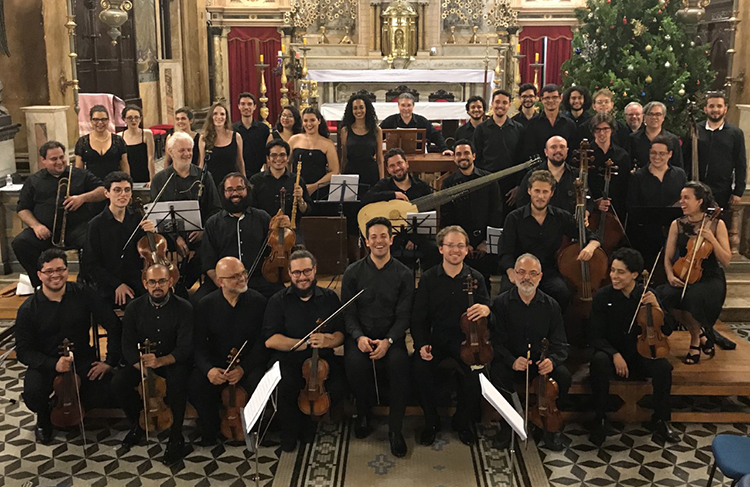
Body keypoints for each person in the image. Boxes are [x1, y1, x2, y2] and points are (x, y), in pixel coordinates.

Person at [15, 248, 121, 444]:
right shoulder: (28, 309)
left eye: (60, 269)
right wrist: (52, 364)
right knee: (33, 393)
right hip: (46, 364)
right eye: (49, 271)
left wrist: (109, 361)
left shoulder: (83, 293)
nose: (55, 275)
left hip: (81, 360)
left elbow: (113, 324)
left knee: (108, 387)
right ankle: (45, 418)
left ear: (67, 270)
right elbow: (23, 351)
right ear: (39, 275)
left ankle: (78, 409)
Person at [589, 248, 679, 446]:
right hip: (611, 352)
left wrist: (657, 306)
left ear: (635, 275)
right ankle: (600, 419)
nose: (614, 276)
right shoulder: (603, 296)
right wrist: (614, 354)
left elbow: (669, 328)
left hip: (640, 352)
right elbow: (595, 335)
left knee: (663, 367)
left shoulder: (647, 295)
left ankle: (662, 419)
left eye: (620, 272)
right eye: (612, 270)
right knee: (598, 362)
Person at [412, 226, 491, 447]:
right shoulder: (428, 279)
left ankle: (462, 422)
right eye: (450, 245)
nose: (455, 250)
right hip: (437, 339)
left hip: (467, 340)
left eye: (460, 246)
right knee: (418, 368)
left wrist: (486, 309)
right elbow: (418, 318)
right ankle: (431, 421)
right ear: (440, 249)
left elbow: (487, 306)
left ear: (467, 250)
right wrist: (422, 344)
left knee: (477, 371)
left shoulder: (476, 278)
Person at [263, 249, 347, 451]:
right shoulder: (278, 300)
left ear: (315, 270)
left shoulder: (329, 298)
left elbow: (340, 334)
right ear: (289, 274)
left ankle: (310, 423)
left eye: (307, 271)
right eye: (297, 273)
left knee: (339, 386)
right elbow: (270, 340)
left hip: (322, 361)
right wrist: (303, 343)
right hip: (289, 358)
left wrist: (328, 341)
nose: (302, 277)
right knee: (286, 384)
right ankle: (289, 431)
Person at [342, 217, 413, 457]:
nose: (379, 241)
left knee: (399, 364)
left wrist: (389, 340)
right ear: (366, 241)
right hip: (361, 337)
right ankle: (363, 414)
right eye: (374, 237)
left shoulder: (404, 274)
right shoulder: (352, 272)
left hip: (391, 338)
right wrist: (358, 337)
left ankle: (395, 429)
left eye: (384, 236)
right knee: (354, 363)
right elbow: (348, 313)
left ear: (391, 240)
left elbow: (405, 315)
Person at [111, 264, 193, 465]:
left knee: (177, 382)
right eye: (153, 282)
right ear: (145, 284)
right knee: (118, 383)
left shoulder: (184, 308)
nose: (157, 286)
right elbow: (127, 346)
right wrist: (142, 367)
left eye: (162, 281)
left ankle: (176, 437)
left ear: (170, 282)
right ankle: (138, 424)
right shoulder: (134, 308)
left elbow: (184, 348)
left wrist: (160, 362)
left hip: (172, 360)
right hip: (144, 363)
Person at [491, 253, 570, 451]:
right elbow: (495, 341)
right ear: (515, 275)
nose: (527, 278)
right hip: (514, 361)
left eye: (532, 273)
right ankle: (507, 426)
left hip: (540, 365)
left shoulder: (551, 306)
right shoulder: (501, 303)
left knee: (563, 376)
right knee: (498, 373)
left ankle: (549, 427)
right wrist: (511, 360)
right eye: (522, 272)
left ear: (540, 277)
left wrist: (552, 361)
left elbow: (561, 344)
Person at [188, 257, 268, 445]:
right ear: (220, 282)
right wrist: (209, 369)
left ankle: (251, 427)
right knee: (195, 383)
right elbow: (197, 345)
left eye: (243, 273)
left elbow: (262, 342)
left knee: (258, 381)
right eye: (234, 276)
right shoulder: (205, 305)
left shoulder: (258, 302)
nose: (242, 279)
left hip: (249, 364)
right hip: (218, 365)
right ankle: (211, 427)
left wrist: (243, 369)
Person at [500, 170, 601, 311]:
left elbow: (591, 237)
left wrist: (590, 247)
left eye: (545, 192)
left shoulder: (560, 217)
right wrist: (512, 273)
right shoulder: (514, 218)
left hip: (547, 271)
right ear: (529, 191)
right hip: (520, 271)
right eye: (537, 191)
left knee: (563, 292)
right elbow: (505, 252)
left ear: (551, 193)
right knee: (505, 294)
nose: (540, 196)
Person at [14, 141, 106, 287]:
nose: (59, 162)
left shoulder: (80, 174)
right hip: (46, 231)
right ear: (43, 160)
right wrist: (36, 226)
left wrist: (82, 198)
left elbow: (103, 190)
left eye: (62, 157)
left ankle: (86, 282)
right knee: (20, 243)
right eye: (54, 159)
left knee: (93, 240)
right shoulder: (34, 180)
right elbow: (23, 209)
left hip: (76, 229)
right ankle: (41, 283)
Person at [657, 182, 730, 364]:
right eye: (681, 197)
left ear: (699, 201)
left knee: (692, 299)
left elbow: (726, 260)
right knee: (665, 296)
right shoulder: (677, 224)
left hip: (710, 278)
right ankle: (702, 333)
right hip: (682, 274)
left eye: (686, 198)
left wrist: (711, 238)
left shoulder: (716, 224)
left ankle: (695, 341)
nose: (681, 202)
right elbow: (667, 258)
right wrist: (670, 276)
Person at [150, 132, 222, 292]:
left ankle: (182, 284)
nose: (187, 154)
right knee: (155, 245)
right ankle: (164, 282)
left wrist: (203, 230)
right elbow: (157, 214)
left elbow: (216, 209)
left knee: (209, 247)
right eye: (182, 150)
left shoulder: (204, 176)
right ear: (170, 151)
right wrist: (176, 239)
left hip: (199, 233)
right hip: (169, 235)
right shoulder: (160, 179)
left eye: (189, 150)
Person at [200, 172, 281, 301]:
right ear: (223, 193)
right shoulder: (212, 223)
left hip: (257, 279)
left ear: (247, 190)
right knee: (198, 301)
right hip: (223, 281)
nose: (235, 193)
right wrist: (222, 285)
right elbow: (208, 262)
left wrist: (283, 230)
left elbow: (278, 249)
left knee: (280, 297)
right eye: (230, 190)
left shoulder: (263, 217)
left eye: (239, 189)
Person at [83, 171, 157, 308]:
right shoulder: (96, 225)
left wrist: (153, 232)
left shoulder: (137, 218)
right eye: (117, 190)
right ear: (107, 193)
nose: (123, 194)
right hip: (108, 283)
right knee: (135, 308)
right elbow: (91, 265)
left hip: (136, 279)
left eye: (127, 190)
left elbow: (155, 250)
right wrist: (116, 285)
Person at [361, 148, 440, 271]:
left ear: (406, 163)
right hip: (394, 237)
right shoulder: (384, 185)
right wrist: (393, 194)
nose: (397, 168)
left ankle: (427, 285)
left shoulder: (421, 187)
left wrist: (413, 239)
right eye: (392, 166)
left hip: (418, 236)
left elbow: (429, 215)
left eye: (399, 163)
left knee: (434, 250)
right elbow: (366, 198)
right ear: (388, 170)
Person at [440, 139, 503, 285]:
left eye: (466, 153)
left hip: (484, 243)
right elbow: (447, 215)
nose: (463, 157)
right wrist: (462, 243)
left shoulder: (489, 179)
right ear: (455, 158)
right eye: (459, 154)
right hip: (460, 244)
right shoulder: (448, 183)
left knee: (484, 281)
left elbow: (496, 211)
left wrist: (485, 242)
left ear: (474, 156)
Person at [684, 91, 746, 229]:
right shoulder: (695, 130)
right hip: (697, 187)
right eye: (712, 106)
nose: (715, 110)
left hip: (722, 190)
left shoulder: (735, 133)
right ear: (706, 109)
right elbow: (685, 159)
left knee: (717, 228)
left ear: (725, 108)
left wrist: (738, 191)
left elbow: (741, 163)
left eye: (719, 106)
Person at [626, 136, 688, 269]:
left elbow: (685, 203)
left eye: (662, 153)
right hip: (645, 236)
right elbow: (633, 207)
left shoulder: (679, 175)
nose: (657, 157)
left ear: (670, 154)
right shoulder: (638, 177)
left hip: (674, 234)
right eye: (653, 153)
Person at [473, 89, 525, 212]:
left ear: (509, 105)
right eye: (497, 102)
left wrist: (518, 186)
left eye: (504, 102)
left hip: (510, 185)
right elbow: (477, 158)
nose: (500, 106)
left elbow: (522, 158)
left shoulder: (518, 129)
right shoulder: (481, 129)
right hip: (487, 182)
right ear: (492, 104)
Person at [249, 139, 312, 236]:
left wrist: (300, 200)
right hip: (264, 231)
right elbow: (251, 210)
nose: (278, 159)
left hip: (290, 232)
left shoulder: (297, 180)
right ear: (268, 159)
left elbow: (307, 210)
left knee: (300, 250)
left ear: (287, 158)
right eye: (274, 155)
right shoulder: (256, 180)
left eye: (282, 155)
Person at [516, 136, 578, 214]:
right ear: (546, 152)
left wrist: (586, 212)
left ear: (567, 151)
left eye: (562, 147)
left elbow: (588, 201)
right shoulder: (532, 175)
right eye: (553, 147)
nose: (558, 150)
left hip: (568, 224)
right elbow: (521, 203)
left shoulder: (576, 174)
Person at [289, 108, 340, 200]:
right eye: (305, 120)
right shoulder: (294, 140)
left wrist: (314, 186)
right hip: (297, 189)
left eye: (312, 120)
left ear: (319, 121)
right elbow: (286, 162)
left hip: (320, 190)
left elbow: (334, 171)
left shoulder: (328, 143)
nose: (309, 124)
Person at [339, 94, 384, 198]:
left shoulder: (376, 130)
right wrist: (341, 176)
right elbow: (344, 157)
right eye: (355, 108)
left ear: (366, 108)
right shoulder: (345, 130)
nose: (358, 111)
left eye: (361, 107)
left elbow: (380, 159)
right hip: (351, 173)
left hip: (370, 173)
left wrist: (382, 181)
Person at [589, 112, 631, 219]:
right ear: (593, 131)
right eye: (597, 129)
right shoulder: (586, 154)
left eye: (605, 129)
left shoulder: (622, 155)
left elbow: (625, 185)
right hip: (591, 210)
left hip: (616, 208)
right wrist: (594, 202)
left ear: (611, 130)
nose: (601, 133)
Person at [381, 92, 452, 155]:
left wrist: (444, 149)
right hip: (395, 157)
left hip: (419, 156)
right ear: (398, 106)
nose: (406, 109)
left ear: (413, 106)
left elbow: (435, 135)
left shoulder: (422, 121)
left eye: (409, 105)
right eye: (403, 105)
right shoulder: (390, 121)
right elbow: (378, 135)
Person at [522, 84, 577, 162]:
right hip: (539, 171)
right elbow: (530, 151)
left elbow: (572, 151)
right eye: (547, 98)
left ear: (560, 98)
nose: (551, 101)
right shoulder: (532, 124)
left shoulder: (569, 124)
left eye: (554, 97)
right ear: (542, 99)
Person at [75, 105, 130, 181]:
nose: (100, 122)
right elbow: (79, 170)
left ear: (108, 120)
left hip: (114, 185)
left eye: (104, 119)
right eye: (96, 119)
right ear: (90, 120)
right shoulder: (82, 141)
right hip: (91, 186)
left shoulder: (118, 140)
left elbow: (124, 166)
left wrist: (126, 183)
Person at [199, 101, 246, 188]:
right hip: (211, 183)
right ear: (211, 117)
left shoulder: (236, 137)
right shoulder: (203, 138)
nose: (219, 117)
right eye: (215, 114)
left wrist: (244, 181)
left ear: (226, 117)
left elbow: (240, 162)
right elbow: (202, 164)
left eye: (222, 114)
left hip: (232, 184)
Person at [629, 101, 683, 171]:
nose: (654, 117)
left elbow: (678, 166)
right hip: (639, 180)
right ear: (644, 117)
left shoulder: (672, 140)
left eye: (658, 114)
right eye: (650, 114)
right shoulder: (633, 138)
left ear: (663, 118)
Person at [233, 93, 270, 176]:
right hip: (238, 173)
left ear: (255, 107)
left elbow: (267, 153)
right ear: (238, 106)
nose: (246, 107)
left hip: (259, 174)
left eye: (249, 104)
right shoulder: (232, 130)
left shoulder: (263, 129)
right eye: (243, 104)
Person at [118, 105, 155, 185]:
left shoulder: (147, 134)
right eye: (130, 118)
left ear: (140, 119)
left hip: (144, 173)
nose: (133, 120)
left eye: (136, 117)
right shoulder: (120, 136)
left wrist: (152, 179)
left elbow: (150, 158)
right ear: (124, 119)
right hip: (127, 174)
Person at [562, 85, 593, 150]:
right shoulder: (563, 120)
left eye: (580, 98)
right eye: (573, 98)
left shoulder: (591, 120)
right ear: (568, 100)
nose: (576, 101)